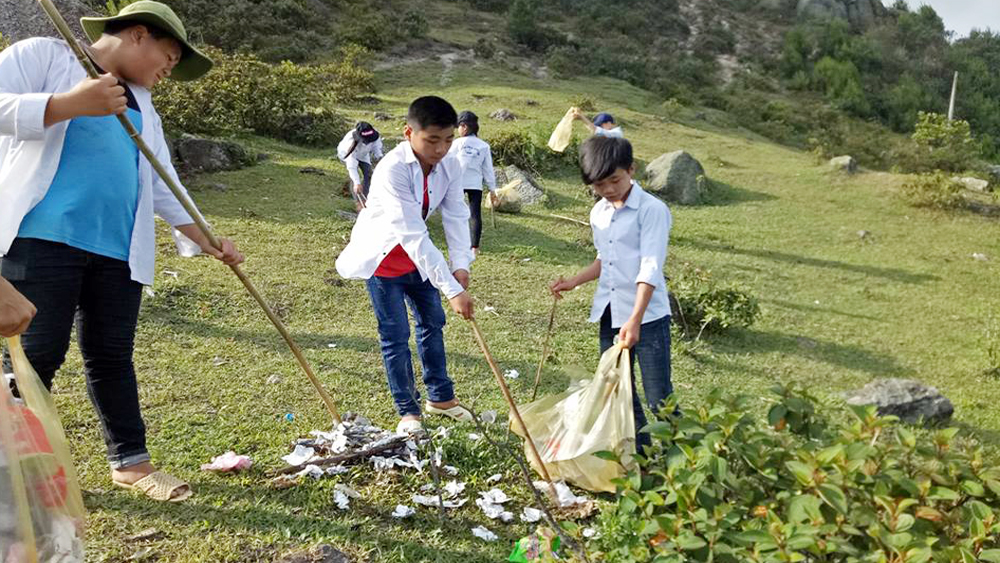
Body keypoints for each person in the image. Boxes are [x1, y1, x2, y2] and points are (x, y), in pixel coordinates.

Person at [0, 1, 244, 502]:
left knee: (111, 356)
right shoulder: (46, 56)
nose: (167, 71)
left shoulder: (142, 105)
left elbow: (160, 181)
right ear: (137, 35)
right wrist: (65, 104)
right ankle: (11, 467)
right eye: (169, 58)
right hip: (41, 237)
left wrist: (206, 237)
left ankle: (131, 463)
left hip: (117, 250)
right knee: (35, 354)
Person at [336, 96, 476, 435]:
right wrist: (453, 289)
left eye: (448, 140)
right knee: (395, 335)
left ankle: (441, 398)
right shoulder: (392, 169)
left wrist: (461, 265)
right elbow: (412, 233)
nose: (441, 149)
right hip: (384, 261)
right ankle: (408, 410)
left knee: (433, 323)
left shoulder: (451, 164)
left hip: (419, 262)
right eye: (432, 140)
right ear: (408, 133)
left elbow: (457, 214)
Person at [548, 136, 673, 451]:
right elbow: (605, 260)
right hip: (610, 313)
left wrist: (635, 320)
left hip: (648, 317)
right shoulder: (599, 214)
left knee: (660, 396)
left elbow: (650, 267)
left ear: (631, 170)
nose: (608, 190)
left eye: (614, 180)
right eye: (598, 184)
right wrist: (574, 281)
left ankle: (682, 460)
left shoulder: (652, 210)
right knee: (620, 390)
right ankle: (642, 457)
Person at [449, 111, 498, 255]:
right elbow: (488, 169)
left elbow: (447, 161)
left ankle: (456, 242)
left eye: (459, 126)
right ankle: (475, 247)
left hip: (457, 182)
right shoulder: (483, 146)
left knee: (455, 212)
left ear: (464, 127)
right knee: (475, 214)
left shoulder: (457, 143)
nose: (458, 129)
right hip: (475, 184)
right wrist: (492, 189)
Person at [337, 121, 384, 211]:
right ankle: (358, 203)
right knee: (354, 179)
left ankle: (366, 199)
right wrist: (357, 183)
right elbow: (352, 166)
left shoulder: (375, 136)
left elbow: (377, 149)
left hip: (363, 156)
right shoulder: (349, 143)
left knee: (369, 174)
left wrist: (380, 159)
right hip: (347, 155)